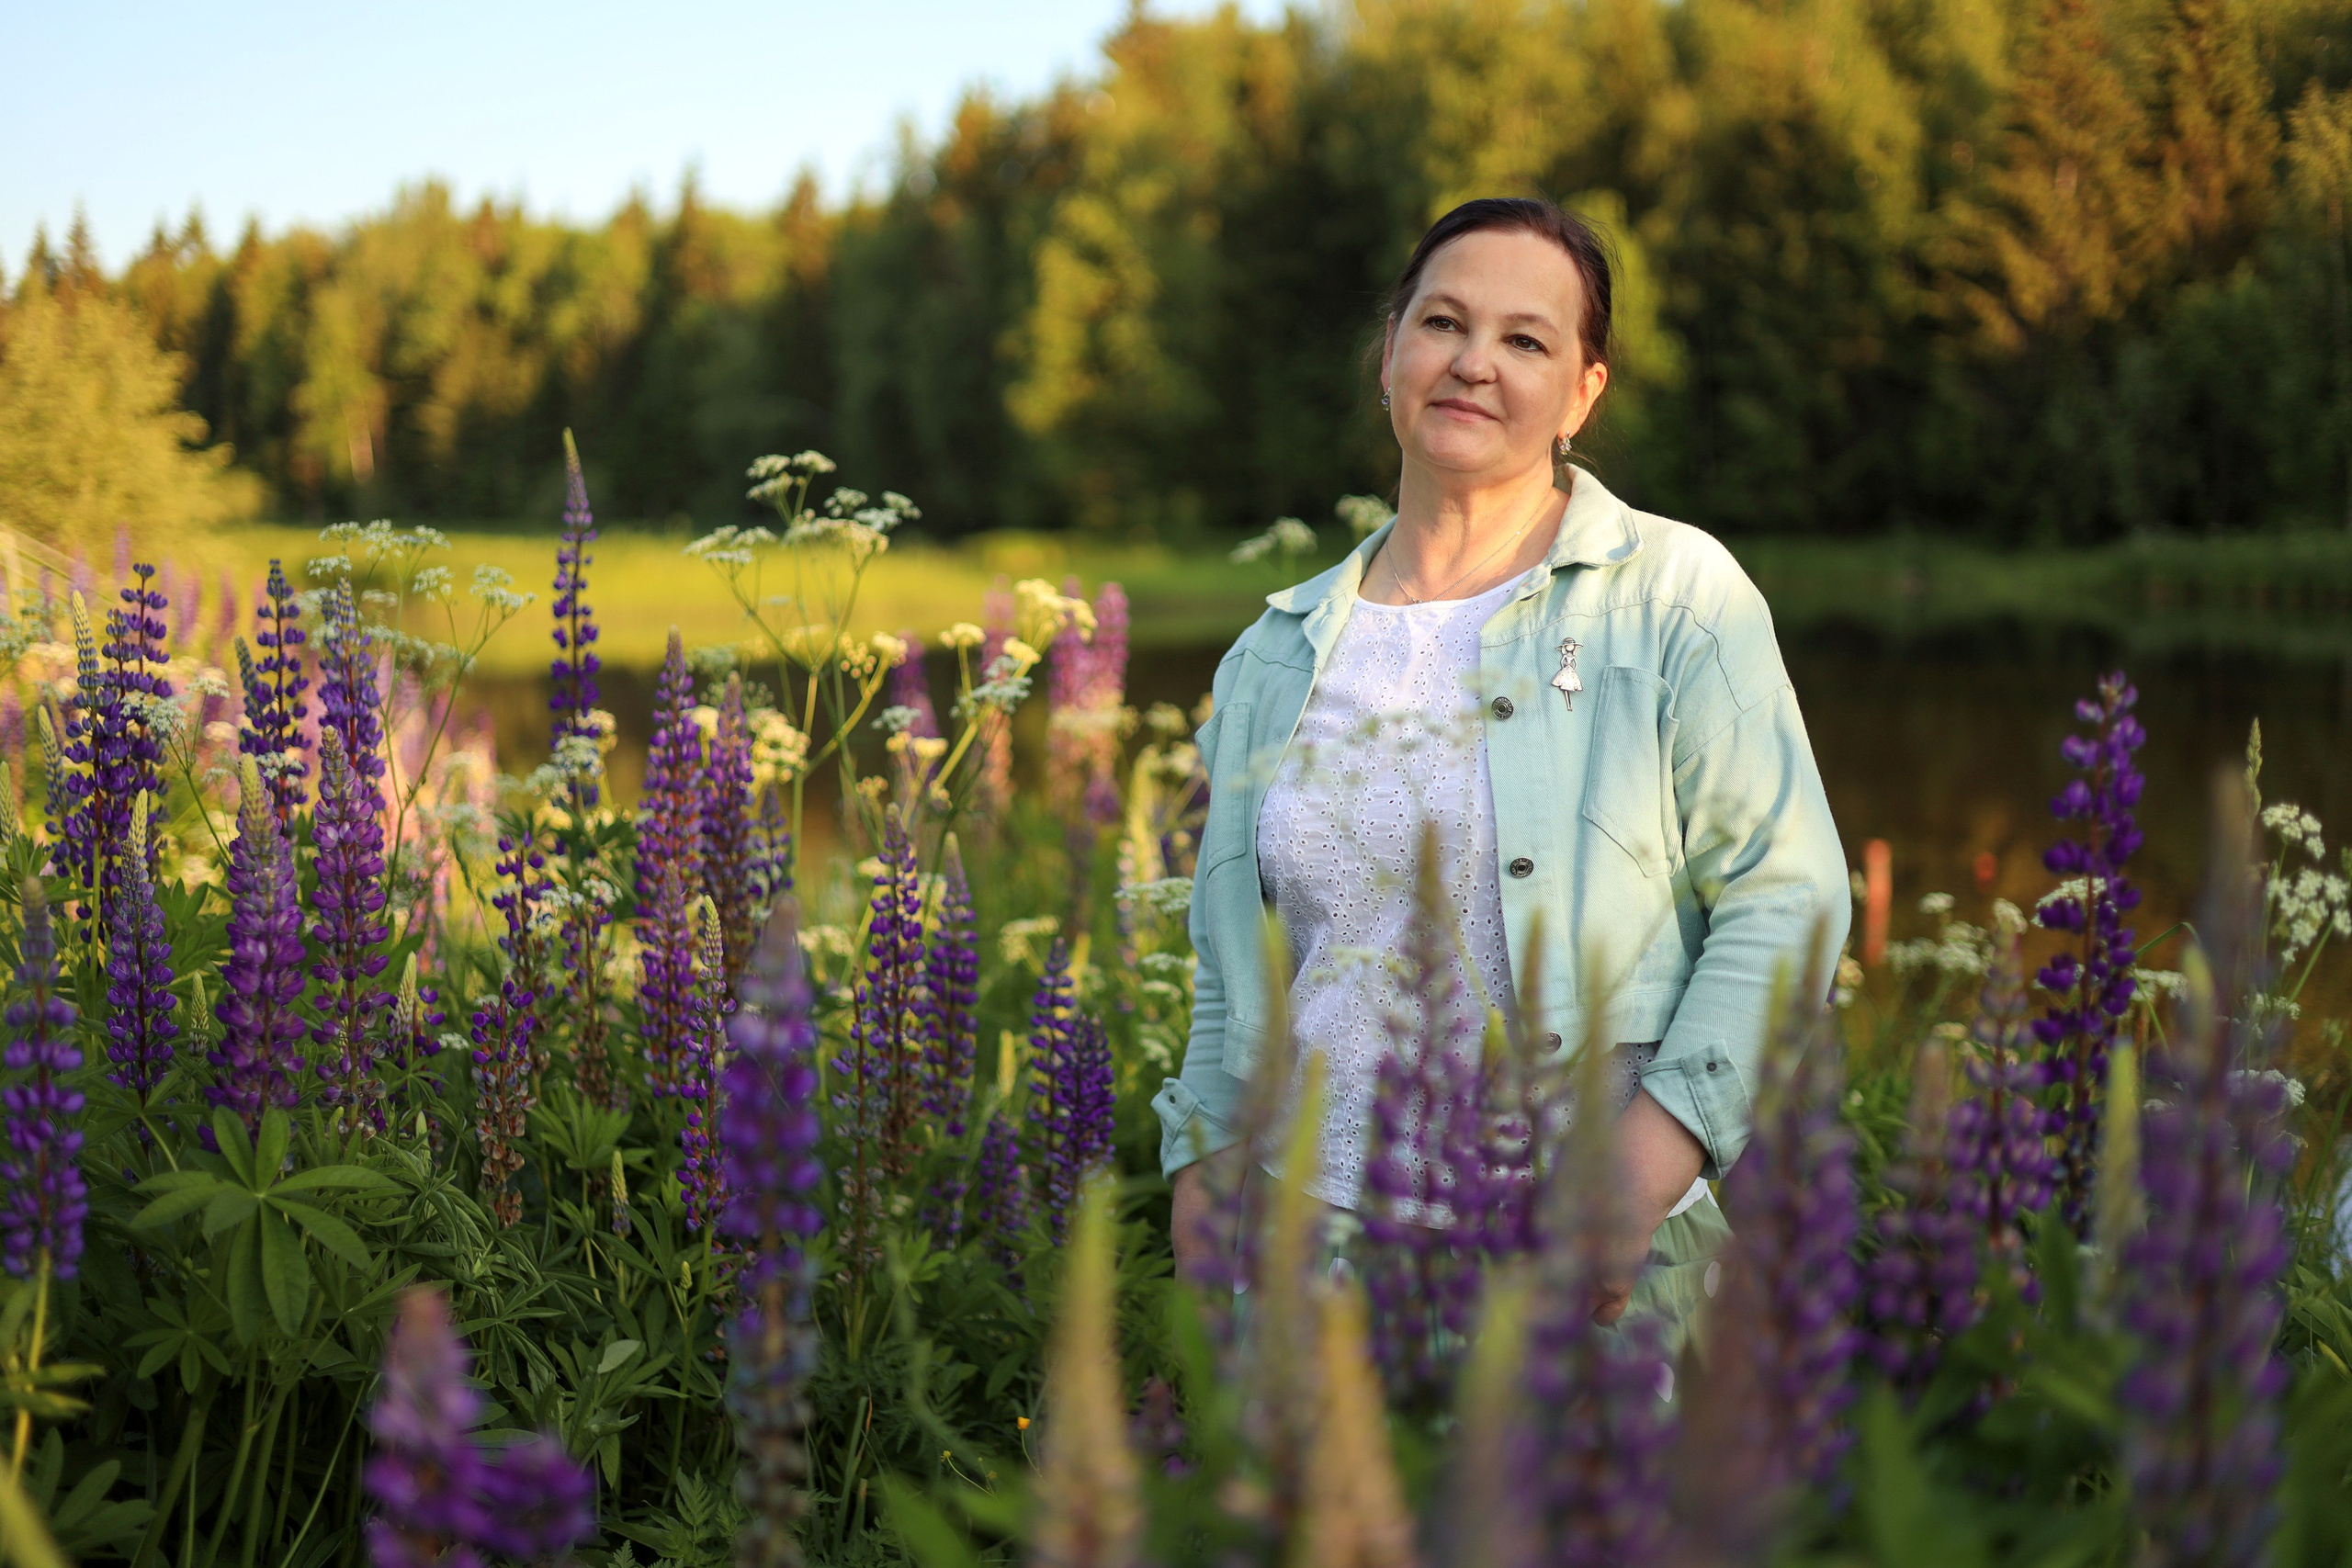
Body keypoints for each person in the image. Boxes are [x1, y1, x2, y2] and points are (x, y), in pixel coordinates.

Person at [1154, 197, 1849, 1335]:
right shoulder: (1271, 652)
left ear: (1582, 392)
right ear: (1390, 355)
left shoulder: (1674, 596)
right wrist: (1205, 1167)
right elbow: (1236, 973)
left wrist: (1632, 1181)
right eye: (1441, 323)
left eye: (1525, 340)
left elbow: (1792, 902)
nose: (1473, 363)